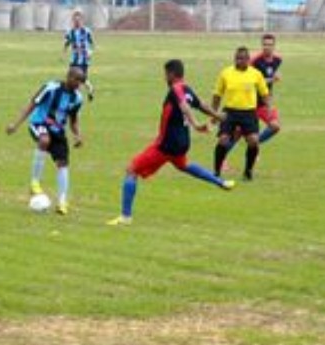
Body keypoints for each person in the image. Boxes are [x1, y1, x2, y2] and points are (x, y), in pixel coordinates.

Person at [107, 60, 234, 226]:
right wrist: (217, 116)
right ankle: (221, 182)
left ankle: (125, 217)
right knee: (184, 165)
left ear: (171, 74)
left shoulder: (176, 89)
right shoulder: (186, 88)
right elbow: (200, 104)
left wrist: (196, 124)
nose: (164, 77)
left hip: (167, 144)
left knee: (131, 170)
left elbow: (185, 107)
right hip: (182, 142)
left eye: (165, 74)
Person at [5, 66, 86, 215]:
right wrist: (15, 124)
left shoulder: (77, 98)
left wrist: (77, 135)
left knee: (63, 163)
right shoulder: (51, 88)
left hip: (58, 131)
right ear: (69, 77)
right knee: (44, 140)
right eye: (77, 80)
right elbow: (32, 104)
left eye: (81, 82)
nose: (78, 85)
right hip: (38, 123)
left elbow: (73, 120)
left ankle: (62, 202)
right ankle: (35, 182)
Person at [212, 46, 270, 180]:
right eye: (237, 58)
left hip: (249, 113)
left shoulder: (256, 74)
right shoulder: (226, 73)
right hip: (230, 112)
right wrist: (214, 113)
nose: (239, 61)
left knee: (253, 141)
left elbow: (264, 93)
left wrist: (268, 108)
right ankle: (216, 171)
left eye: (242, 59)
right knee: (223, 140)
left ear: (248, 60)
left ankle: (248, 171)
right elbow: (217, 94)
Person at [251, 33, 283, 144]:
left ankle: (254, 143)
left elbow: (270, 79)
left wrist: (270, 98)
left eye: (270, 45)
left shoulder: (278, 60)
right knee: (235, 134)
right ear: (261, 45)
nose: (267, 47)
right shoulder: (254, 61)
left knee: (275, 126)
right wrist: (272, 79)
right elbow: (251, 82)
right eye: (265, 44)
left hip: (264, 103)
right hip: (249, 103)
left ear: (274, 46)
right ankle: (221, 159)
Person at [63, 10, 95, 99]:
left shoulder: (86, 31)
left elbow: (91, 43)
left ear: (82, 20)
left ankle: (87, 90)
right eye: (75, 20)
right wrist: (64, 52)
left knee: (82, 78)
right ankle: (88, 90)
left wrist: (90, 52)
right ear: (73, 20)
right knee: (72, 77)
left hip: (84, 59)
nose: (77, 22)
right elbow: (67, 42)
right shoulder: (70, 32)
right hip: (74, 59)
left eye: (79, 20)